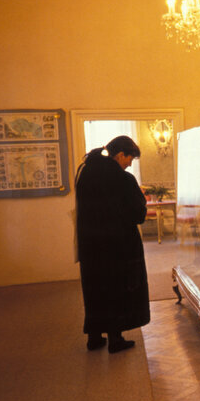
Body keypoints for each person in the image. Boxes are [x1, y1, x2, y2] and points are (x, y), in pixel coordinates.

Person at [74, 135, 150, 353]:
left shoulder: (85, 171)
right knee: (117, 289)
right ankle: (116, 339)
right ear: (120, 154)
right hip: (118, 246)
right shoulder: (123, 179)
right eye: (130, 159)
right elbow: (138, 214)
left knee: (95, 288)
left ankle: (94, 336)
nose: (129, 164)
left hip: (90, 243)